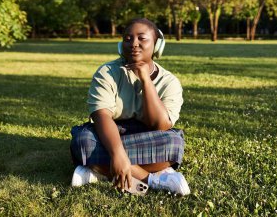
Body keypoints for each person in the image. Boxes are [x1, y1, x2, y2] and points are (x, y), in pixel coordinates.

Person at [69, 18, 190, 196]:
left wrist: (145, 80)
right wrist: (118, 154)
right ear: (121, 44)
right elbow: (101, 116)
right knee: (83, 142)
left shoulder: (169, 81)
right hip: (110, 132)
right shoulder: (107, 72)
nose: (134, 44)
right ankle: (153, 179)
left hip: (150, 134)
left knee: (173, 143)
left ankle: (98, 171)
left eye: (142, 38)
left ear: (157, 45)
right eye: (127, 38)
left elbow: (161, 126)